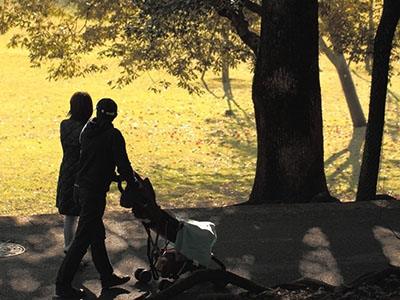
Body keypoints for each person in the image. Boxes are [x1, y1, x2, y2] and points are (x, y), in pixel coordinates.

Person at [55, 98, 141, 299]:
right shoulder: (113, 135)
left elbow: (92, 158)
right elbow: (123, 164)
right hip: (93, 192)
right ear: (115, 115)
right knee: (82, 240)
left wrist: (111, 176)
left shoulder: (87, 130)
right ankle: (62, 285)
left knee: (96, 233)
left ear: (97, 112)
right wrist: (133, 183)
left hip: (80, 187)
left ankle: (107, 276)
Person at [56, 91, 93, 254]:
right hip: (83, 173)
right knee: (87, 216)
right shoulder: (89, 128)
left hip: (66, 170)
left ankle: (69, 248)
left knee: (70, 216)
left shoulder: (65, 125)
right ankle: (72, 250)